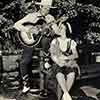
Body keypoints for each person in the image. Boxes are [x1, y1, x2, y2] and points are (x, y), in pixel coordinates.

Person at [13, 0, 59, 93]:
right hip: (29, 41)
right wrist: (29, 30)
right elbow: (16, 25)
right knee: (24, 61)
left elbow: (56, 32)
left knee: (46, 38)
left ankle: (46, 59)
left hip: (42, 42)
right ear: (41, 7)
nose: (47, 10)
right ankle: (26, 84)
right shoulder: (31, 16)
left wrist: (54, 29)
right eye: (46, 8)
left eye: (49, 9)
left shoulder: (50, 18)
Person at [49, 21, 80, 100]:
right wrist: (58, 61)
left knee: (71, 73)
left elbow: (75, 55)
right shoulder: (55, 41)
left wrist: (65, 58)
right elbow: (52, 54)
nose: (59, 30)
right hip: (57, 64)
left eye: (61, 28)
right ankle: (66, 94)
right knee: (59, 73)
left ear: (66, 30)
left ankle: (65, 95)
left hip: (69, 64)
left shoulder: (71, 42)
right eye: (59, 28)